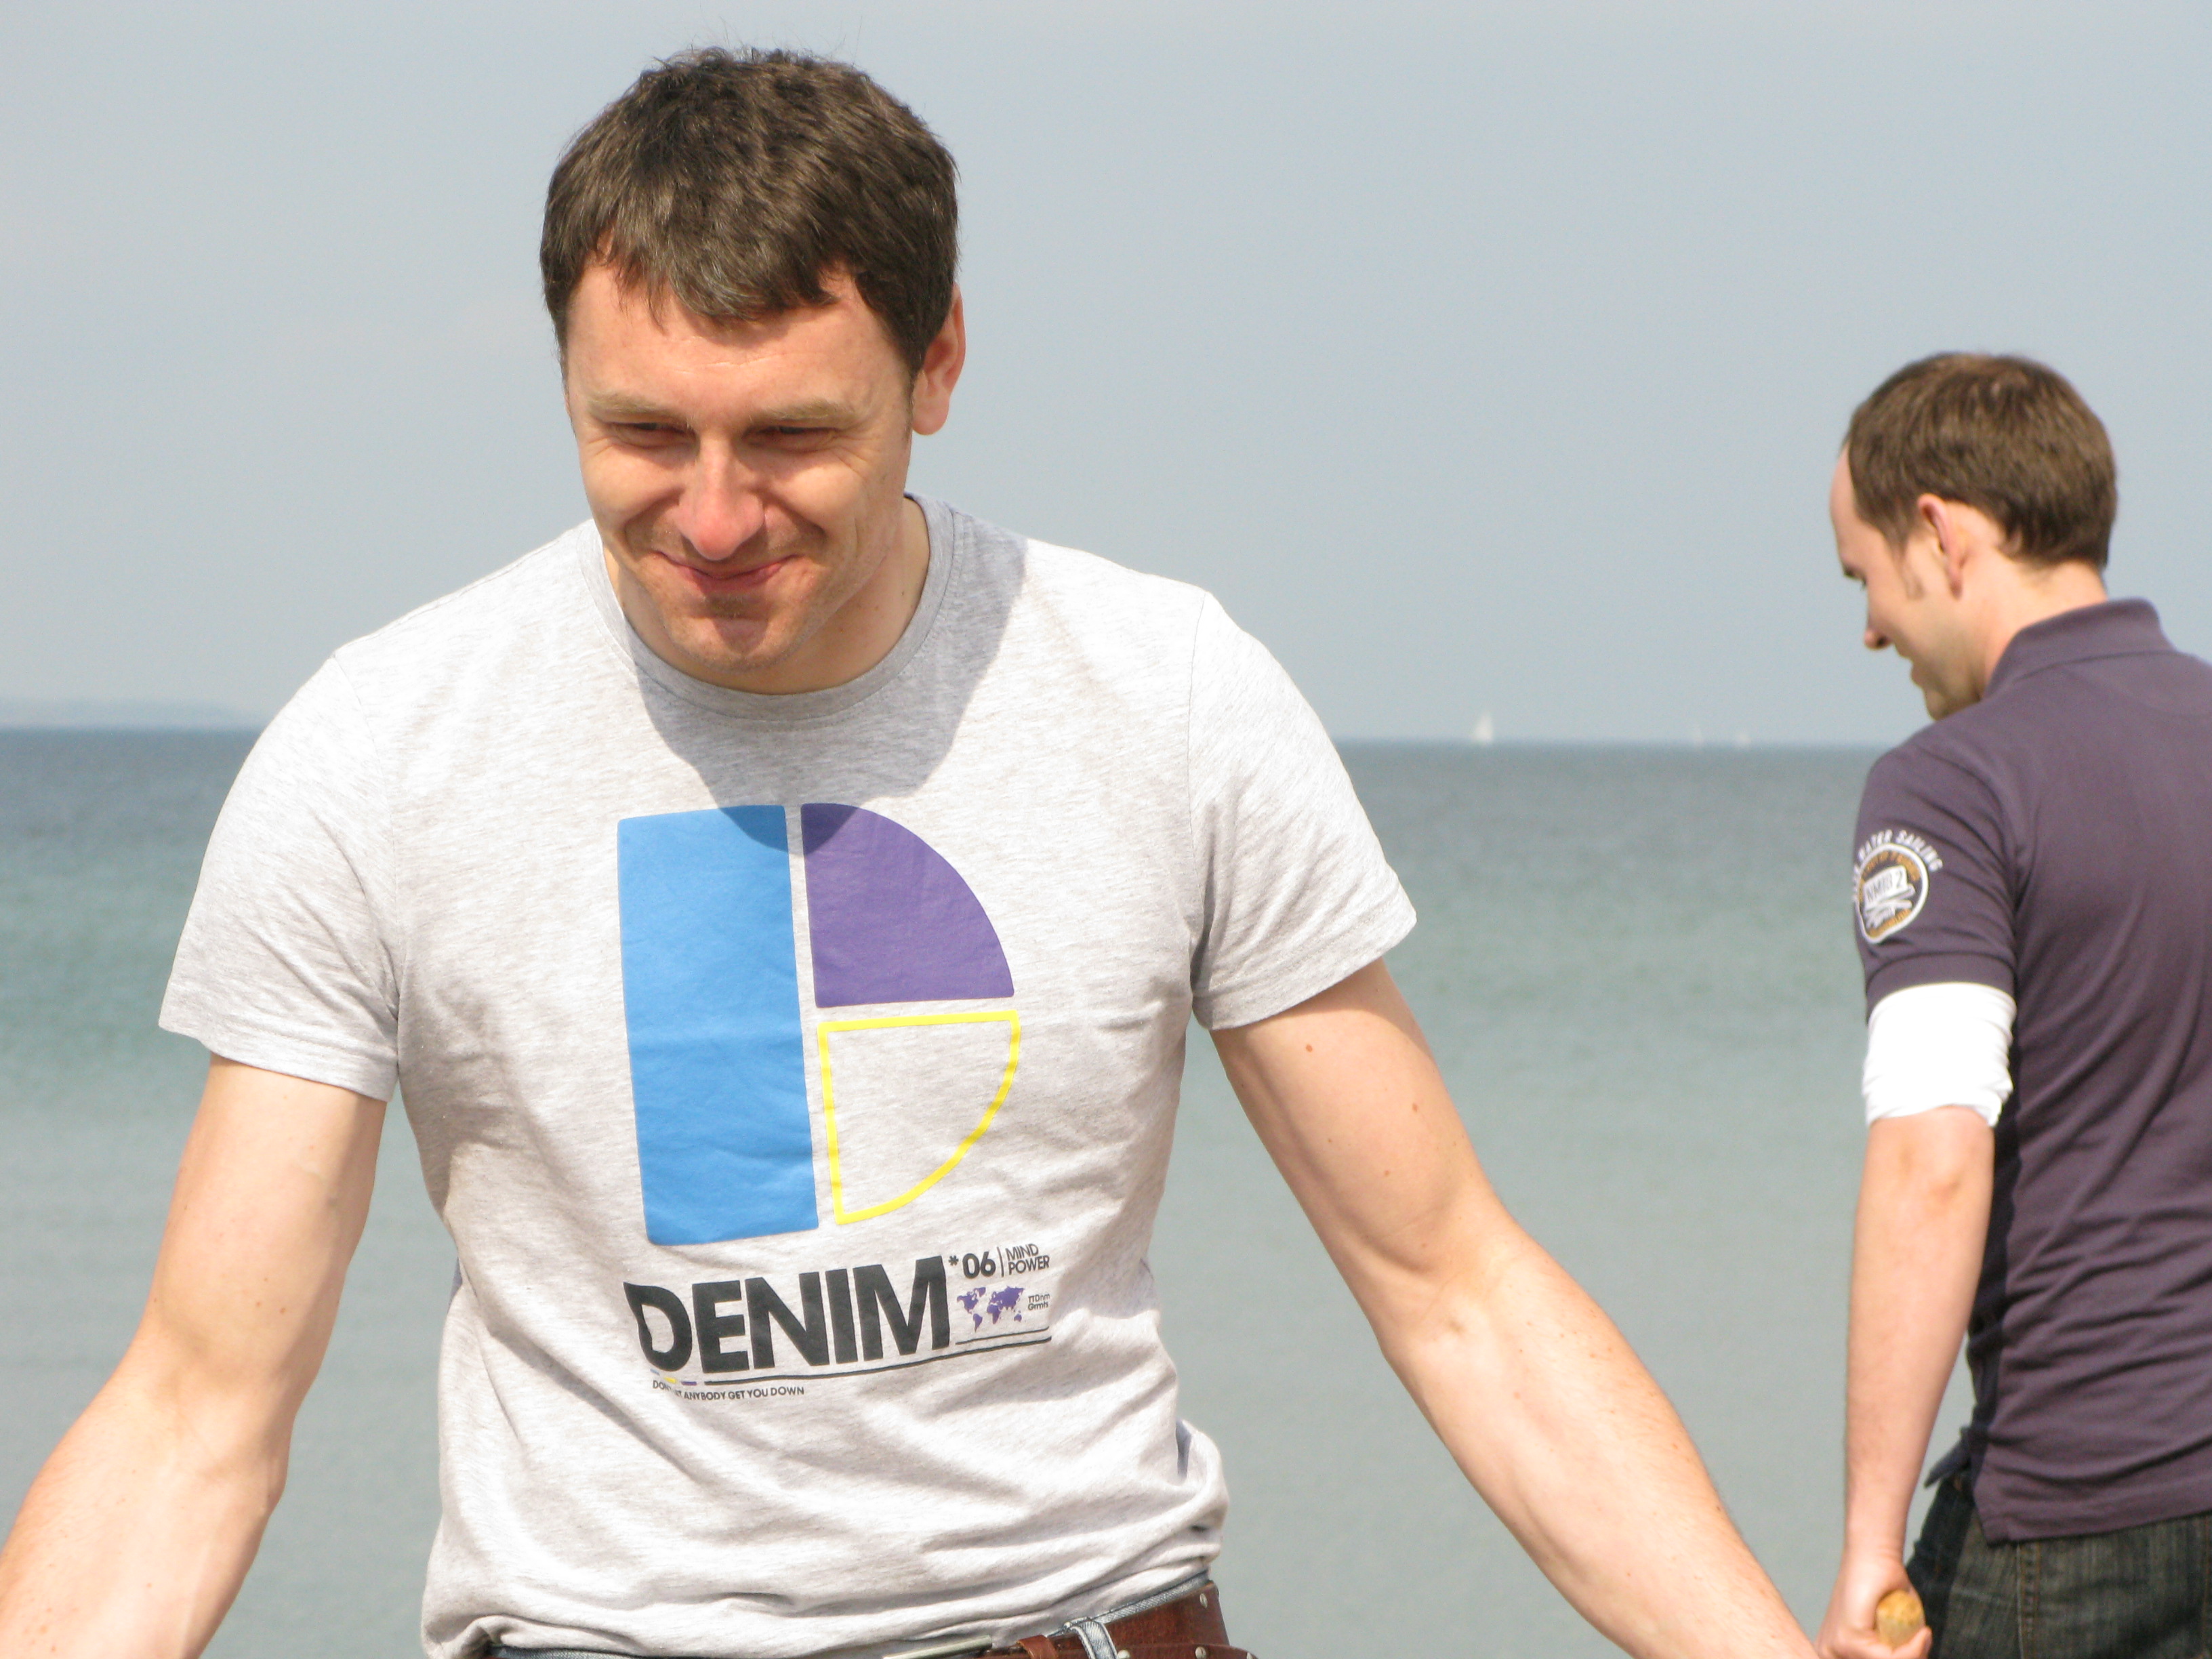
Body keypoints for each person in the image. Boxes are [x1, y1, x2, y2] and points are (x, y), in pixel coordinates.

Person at [0, 48, 1811, 1659]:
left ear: (938, 363)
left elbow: (1454, 1287)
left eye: (793, 436)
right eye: (642, 433)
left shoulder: (1163, 696)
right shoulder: (381, 753)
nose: (715, 515)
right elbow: (198, 1412)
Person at [1815, 354, 2212, 1659]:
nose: (1872, 630)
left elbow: (1933, 1161)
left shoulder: (1952, 786)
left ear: (1940, 533)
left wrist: (1870, 1548)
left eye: (1865, 579)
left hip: (2078, 1510)